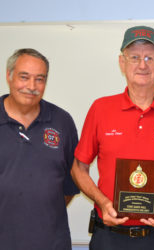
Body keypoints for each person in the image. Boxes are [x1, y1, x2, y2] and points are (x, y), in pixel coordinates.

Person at [71, 25, 154, 250]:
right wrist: (102, 202)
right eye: (134, 57)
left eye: (150, 57)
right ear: (122, 63)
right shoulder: (101, 108)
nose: (142, 65)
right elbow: (79, 168)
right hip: (108, 236)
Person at [0, 48, 79, 250]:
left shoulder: (62, 122)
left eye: (40, 79)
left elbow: (70, 184)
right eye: (24, 77)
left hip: (51, 243)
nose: (31, 86)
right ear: (9, 76)